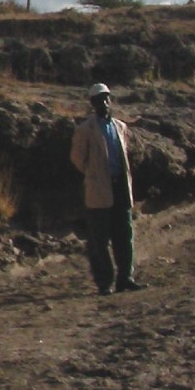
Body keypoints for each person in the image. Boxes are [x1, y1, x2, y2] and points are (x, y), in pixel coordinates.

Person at [70, 82, 143, 295]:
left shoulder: (120, 127)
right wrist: (94, 175)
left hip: (120, 187)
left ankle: (125, 278)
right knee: (99, 240)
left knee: (124, 235)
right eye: (98, 100)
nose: (103, 103)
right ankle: (104, 282)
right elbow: (77, 159)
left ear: (110, 100)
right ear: (93, 103)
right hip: (98, 190)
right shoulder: (85, 130)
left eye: (106, 98)